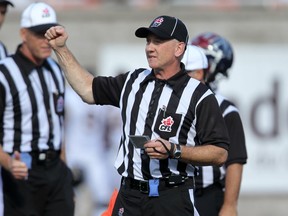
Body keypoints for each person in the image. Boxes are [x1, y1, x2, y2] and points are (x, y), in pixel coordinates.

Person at [45, 15, 230, 216]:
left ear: (179, 48)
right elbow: (87, 89)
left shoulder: (199, 95)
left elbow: (219, 153)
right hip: (130, 194)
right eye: (148, 41)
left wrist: (174, 150)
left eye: (158, 42)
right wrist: (60, 49)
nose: (150, 47)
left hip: (171, 196)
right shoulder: (133, 81)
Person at [0, 2, 74, 216]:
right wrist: (7, 163)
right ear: (24, 34)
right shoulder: (5, 74)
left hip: (55, 171)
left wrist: (65, 173)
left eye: (50, 33)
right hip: (22, 171)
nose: (46, 40)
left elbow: (59, 123)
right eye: (40, 33)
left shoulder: (55, 69)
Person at [182, 35, 248, 216]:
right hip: (172, 191)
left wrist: (230, 205)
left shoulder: (224, 109)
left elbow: (235, 160)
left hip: (205, 194)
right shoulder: (170, 101)